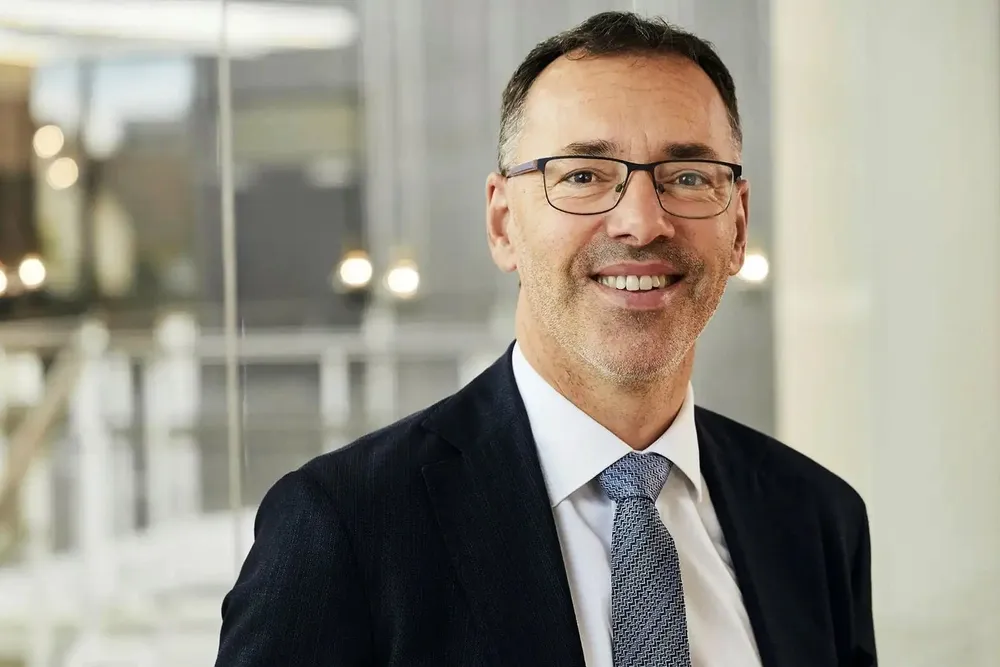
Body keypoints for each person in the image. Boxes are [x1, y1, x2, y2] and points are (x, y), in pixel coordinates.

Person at [214, 11, 876, 667]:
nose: (642, 222)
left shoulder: (816, 519)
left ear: (738, 227)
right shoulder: (345, 527)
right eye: (584, 175)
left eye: (688, 177)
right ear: (503, 224)